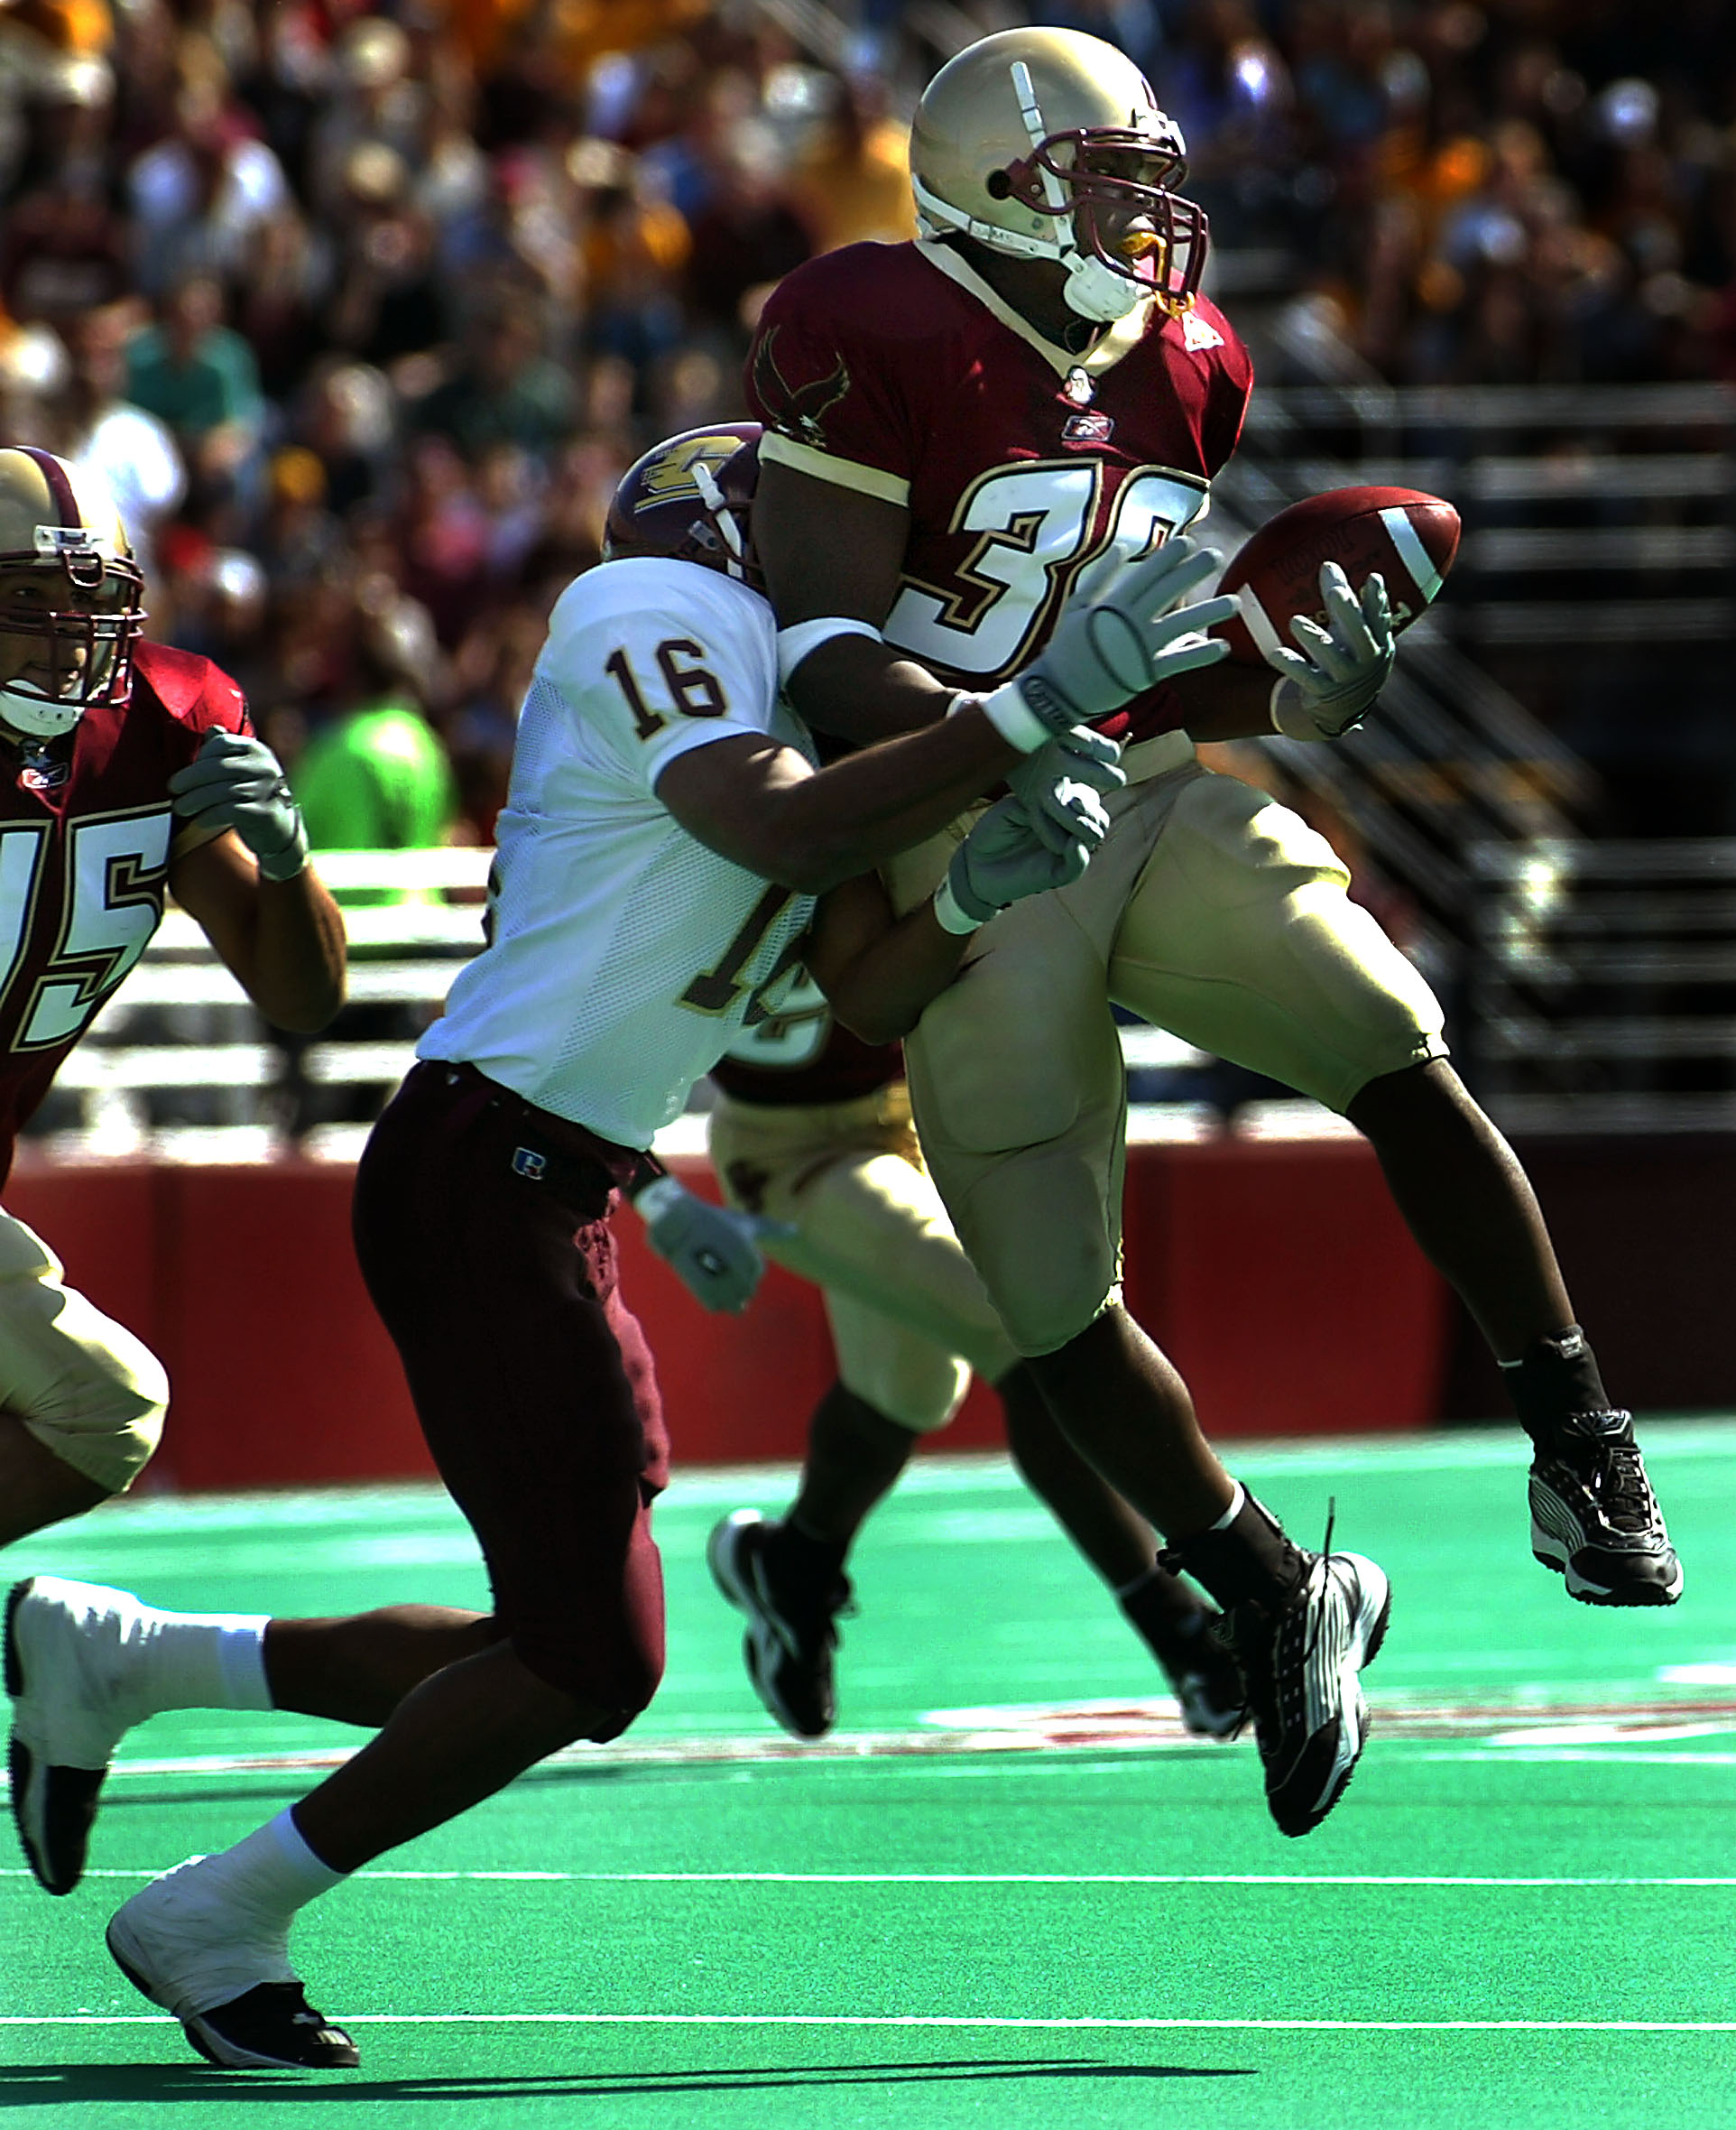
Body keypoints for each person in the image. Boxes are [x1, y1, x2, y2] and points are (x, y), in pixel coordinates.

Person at [7, 421, 1234, 2071]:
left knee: (570, 1644)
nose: (861, 553)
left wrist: (973, 894)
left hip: (555, 1176)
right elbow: (777, 839)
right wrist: (1019, 713)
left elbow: (857, 980)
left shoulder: (790, 695)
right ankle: (213, 1911)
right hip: (486, 1166)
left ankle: (123, 1660)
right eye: (821, 520)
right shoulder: (649, 610)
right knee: (593, 1653)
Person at [736, 26, 1679, 1833]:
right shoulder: (871, 325)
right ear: (986, 190)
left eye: (1157, 187)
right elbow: (820, 655)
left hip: (1147, 787)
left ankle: (1573, 1441)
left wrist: (1292, 701)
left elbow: (1168, 654)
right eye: (1110, 185)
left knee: (1381, 1026)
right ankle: (1266, 1602)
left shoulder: (1186, 363)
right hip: (967, 825)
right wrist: (1002, 739)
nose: (1151, 224)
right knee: (1042, 1300)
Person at [645, 1010, 1242, 1741]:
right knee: (1026, 1330)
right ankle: (1182, 1634)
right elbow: (598, 1026)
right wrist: (655, 1195)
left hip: (931, 1115)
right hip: (794, 1150)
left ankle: (793, 1564)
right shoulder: (688, 892)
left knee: (906, 1392)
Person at [0, 441, 345, 1559]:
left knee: (104, 1407)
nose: (62, 629)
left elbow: (298, 993)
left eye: (83, 594)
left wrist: (289, 860)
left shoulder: (161, 719)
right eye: (25, 597)